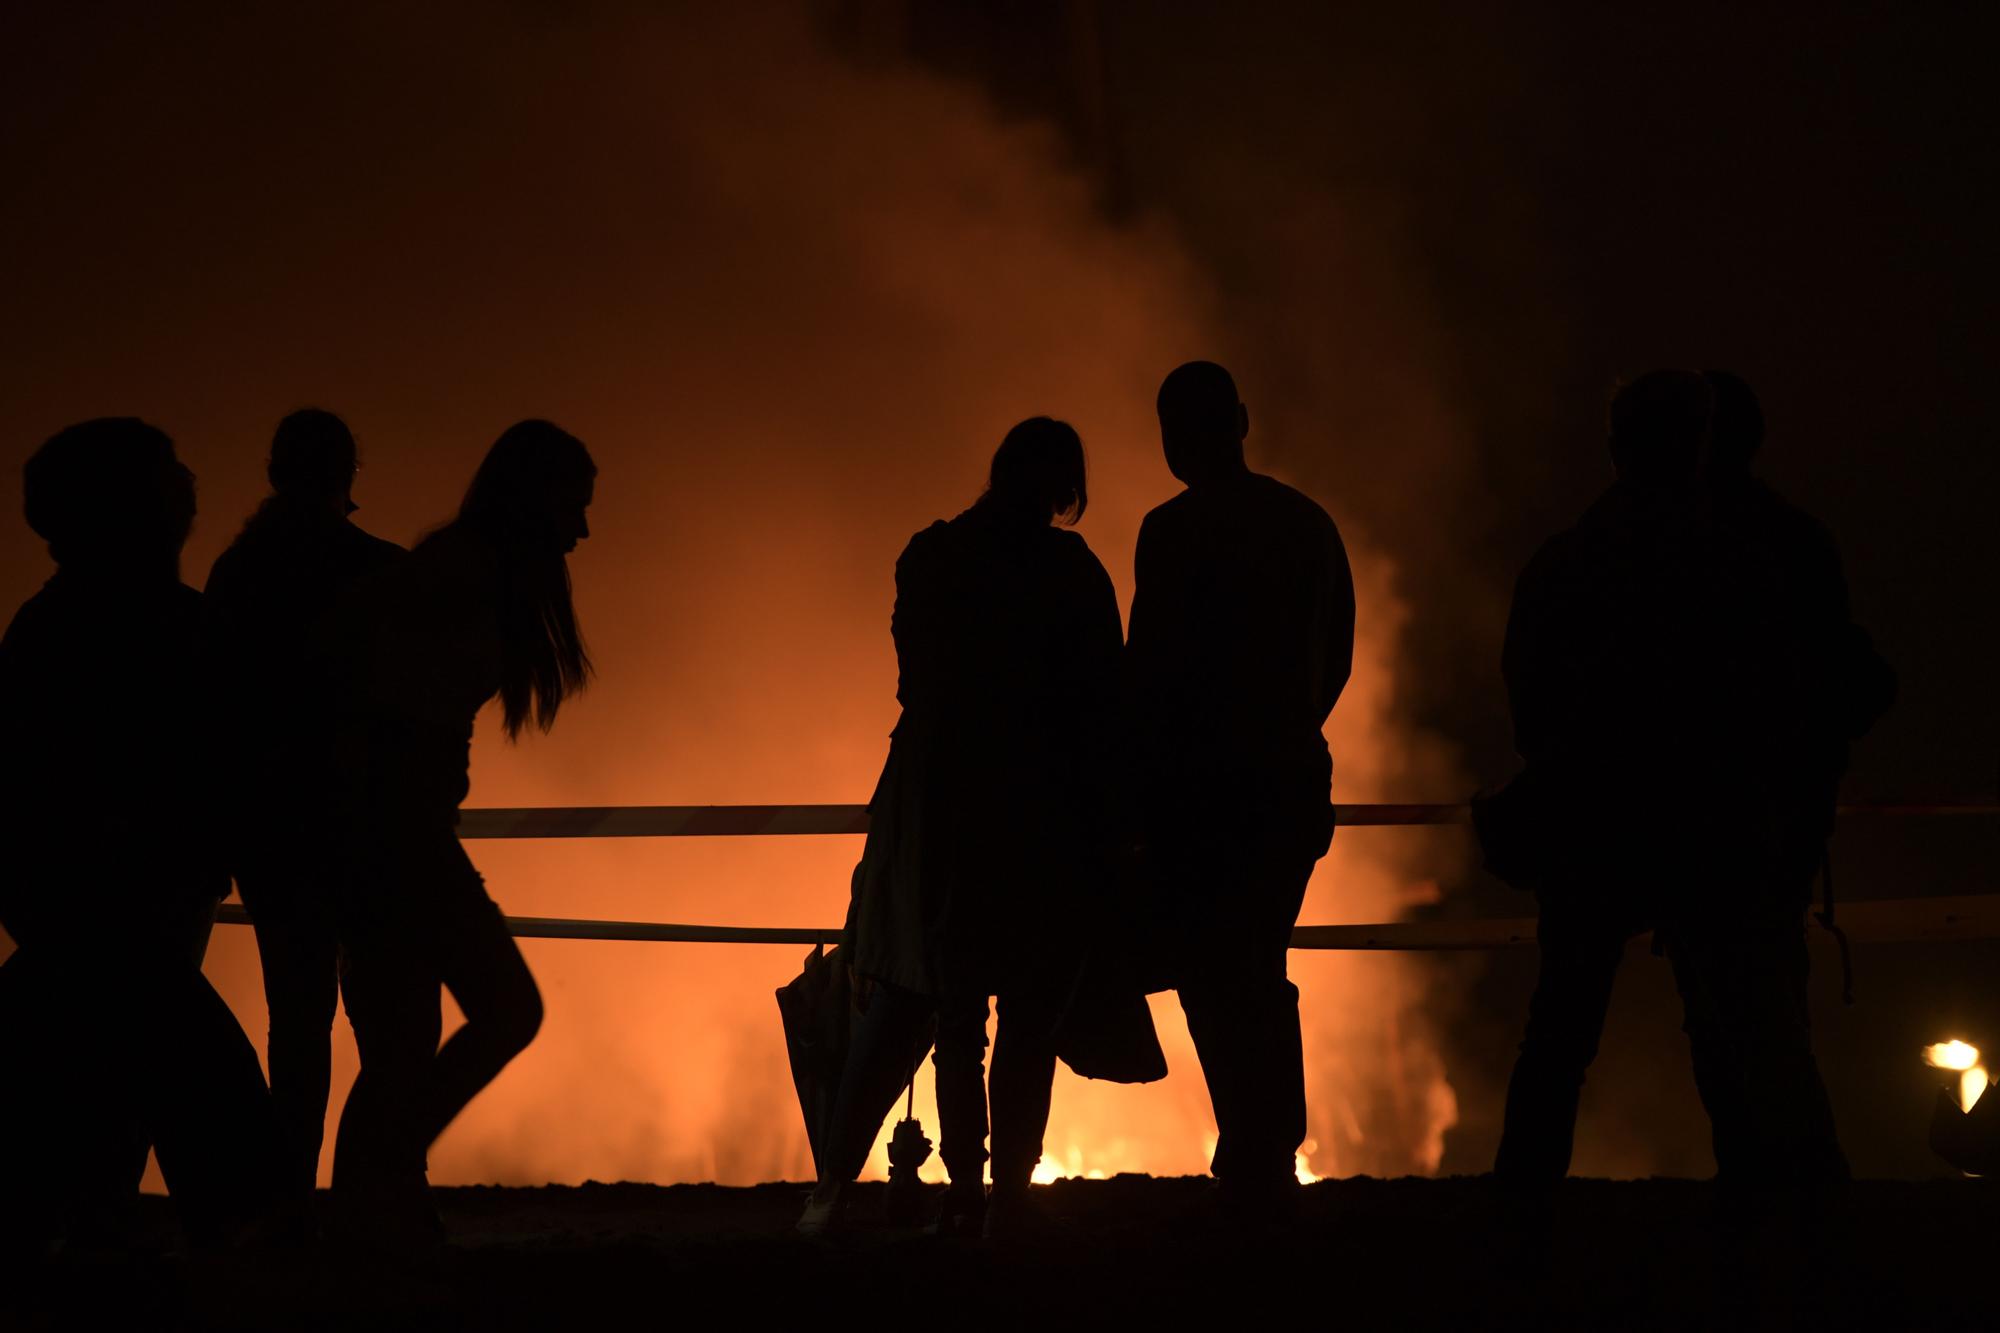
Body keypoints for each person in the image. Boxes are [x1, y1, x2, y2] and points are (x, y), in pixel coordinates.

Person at [1489, 370, 1893, 1202]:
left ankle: (1521, 1220)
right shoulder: (1757, 563)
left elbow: (1528, 702)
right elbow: (1831, 689)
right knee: (1752, 1029)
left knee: (1560, 1035)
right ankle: (1798, 1215)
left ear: (1614, 448)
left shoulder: (1569, 563)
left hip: (1594, 828)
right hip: (1718, 828)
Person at [804, 417, 1125, 1239]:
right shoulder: (1070, 573)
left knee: (957, 1019)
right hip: (1047, 824)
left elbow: (922, 688)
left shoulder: (933, 558)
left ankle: (963, 1188)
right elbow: (1102, 705)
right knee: (1029, 1023)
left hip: (949, 819)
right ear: (1061, 489)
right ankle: (1010, 1196)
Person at [0, 418, 280, 1255]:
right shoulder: (167, 629)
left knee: (100, 1112)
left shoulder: (51, 629)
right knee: (195, 1113)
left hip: (93, 911)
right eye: (170, 478)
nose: (189, 492)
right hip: (124, 912)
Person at [328, 420, 592, 1247]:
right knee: (501, 1009)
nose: (581, 530)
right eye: (574, 507)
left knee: (405, 1037)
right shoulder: (456, 575)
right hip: (395, 829)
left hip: (389, 825)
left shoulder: (453, 569)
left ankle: (379, 1203)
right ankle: (380, 1185)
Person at [1126, 361, 1355, 1214]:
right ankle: (1266, 1146)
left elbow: (1149, 669)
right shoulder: (1305, 523)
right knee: (1255, 960)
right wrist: (1288, 730)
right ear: (1243, 421)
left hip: (1198, 795)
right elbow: (1334, 655)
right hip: (1286, 786)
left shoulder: (1171, 531)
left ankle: (1256, 1145)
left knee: (1212, 969)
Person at [206, 409, 406, 1204]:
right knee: (386, 1021)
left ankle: (286, 1198)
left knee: (297, 1019)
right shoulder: (379, 572)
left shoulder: (237, 574)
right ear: (347, 476)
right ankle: (377, 1191)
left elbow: (217, 711)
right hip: (363, 828)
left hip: (272, 832)